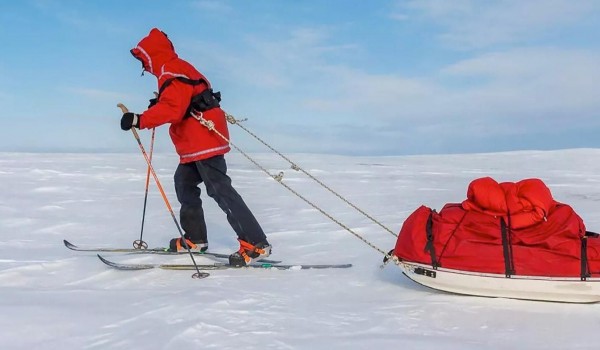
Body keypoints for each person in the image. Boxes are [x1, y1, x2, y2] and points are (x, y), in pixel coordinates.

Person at [119, 28, 271, 266]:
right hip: (195, 143)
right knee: (184, 183)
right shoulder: (174, 70)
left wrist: (140, 119)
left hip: (203, 141)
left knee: (220, 190)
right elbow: (177, 102)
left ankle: (256, 243)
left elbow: (173, 109)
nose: (143, 66)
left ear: (151, 55)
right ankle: (195, 239)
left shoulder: (171, 71)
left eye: (143, 59)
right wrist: (156, 106)